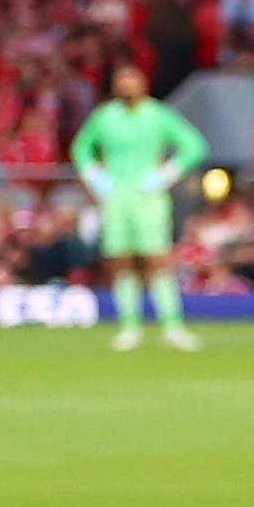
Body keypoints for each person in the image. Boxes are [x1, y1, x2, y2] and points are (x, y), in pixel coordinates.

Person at [70, 63, 211, 353]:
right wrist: (97, 178)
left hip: (149, 198)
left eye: (131, 79)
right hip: (116, 197)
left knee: (157, 260)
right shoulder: (105, 117)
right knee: (121, 261)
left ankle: (172, 326)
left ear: (143, 84)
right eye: (121, 79)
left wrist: (165, 174)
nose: (126, 85)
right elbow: (81, 149)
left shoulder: (158, 115)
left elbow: (194, 145)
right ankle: (129, 327)